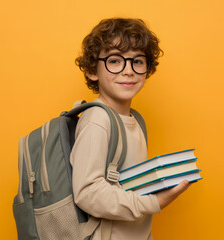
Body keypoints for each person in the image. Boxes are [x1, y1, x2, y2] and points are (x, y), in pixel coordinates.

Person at [72, 18, 190, 240]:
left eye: (137, 61)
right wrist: (154, 202)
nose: (128, 71)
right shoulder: (97, 119)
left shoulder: (135, 119)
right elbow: (87, 193)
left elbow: (129, 187)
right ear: (91, 71)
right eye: (115, 61)